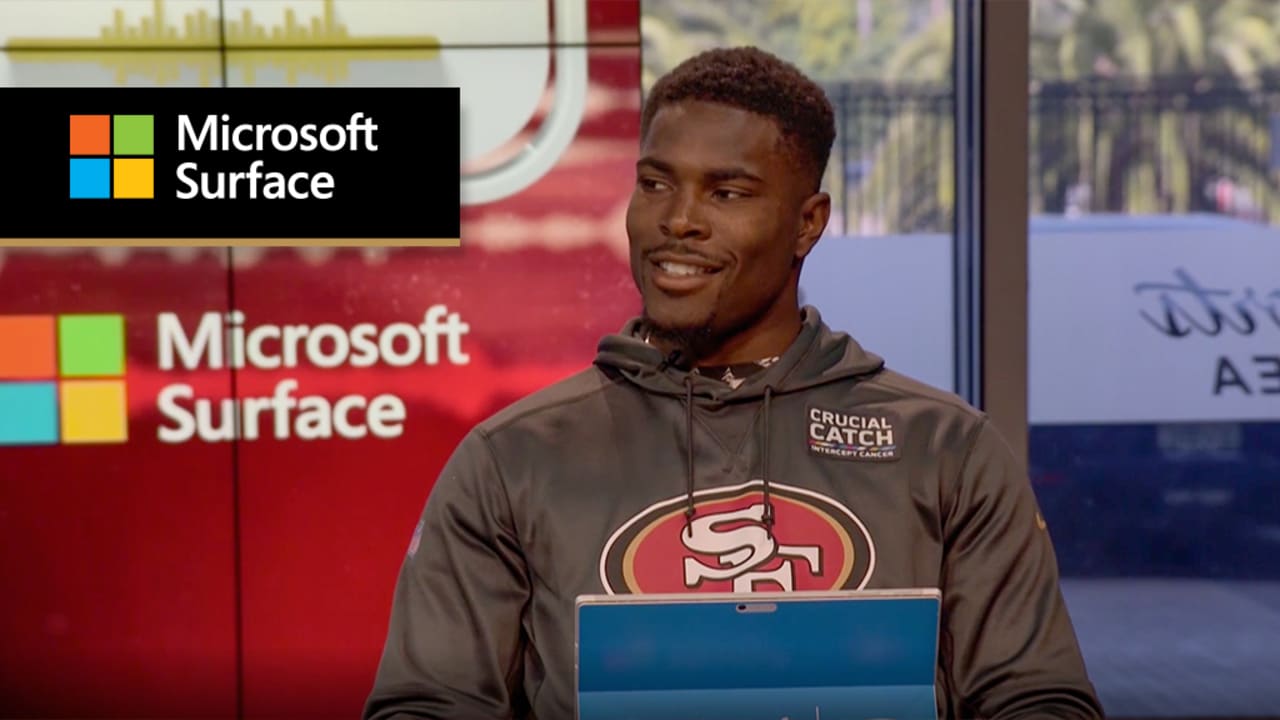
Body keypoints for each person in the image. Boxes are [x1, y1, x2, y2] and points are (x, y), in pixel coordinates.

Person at [364, 46, 1103, 720]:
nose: (677, 220)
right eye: (656, 183)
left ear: (807, 224)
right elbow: (426, 706)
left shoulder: (947, 451)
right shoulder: (511, 459)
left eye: (727, 193)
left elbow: (1039, 699)